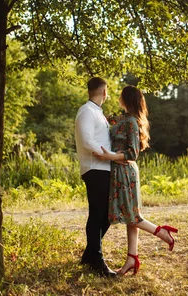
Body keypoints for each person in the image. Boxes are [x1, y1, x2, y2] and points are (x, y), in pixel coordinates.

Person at [93, 85, 178, 275]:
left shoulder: (131, 122)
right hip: (118, 171)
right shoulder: (121, 118)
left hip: (126, 172)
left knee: (132, 216)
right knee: (131, 218)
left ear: (126, 98)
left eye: (121, 95)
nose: (118, 98)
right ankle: (132, 259)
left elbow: (133, 153)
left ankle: (162, 232)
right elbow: (104, 122)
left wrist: (110, 156)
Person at [74, 77, 117, 277]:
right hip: (94, 169)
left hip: (104, 169)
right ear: (104, 92)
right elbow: (86, 140)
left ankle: (89, 255)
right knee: (97, 214)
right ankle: (96, 260)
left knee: (107, 214)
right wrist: (103, 154)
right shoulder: (87, 111)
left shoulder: (98, 113)